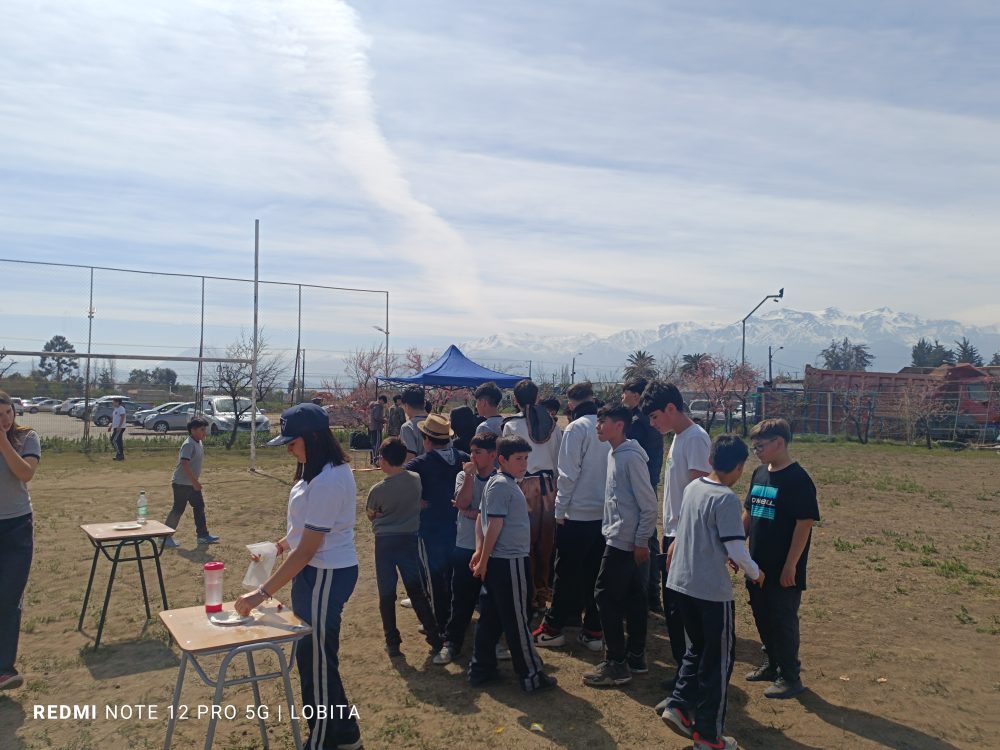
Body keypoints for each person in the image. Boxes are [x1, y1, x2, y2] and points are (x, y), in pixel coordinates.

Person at [235, 403, 363, 750]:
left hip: (324, 572)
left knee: (316, 662)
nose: (289, 448)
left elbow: (307, 550)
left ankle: (322, 741)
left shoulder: (329, 480)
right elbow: (301, 533)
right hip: (315, 571)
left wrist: (260, 594)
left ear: (312, 438)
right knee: (313, 658)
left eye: (293, 442)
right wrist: (276, 547)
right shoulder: (316, 472)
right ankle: (347, 736)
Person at [658, 434, 764, 750]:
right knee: (718, 663)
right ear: (741, 467)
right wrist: (756, 573)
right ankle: (708, 736)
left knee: (698, 649)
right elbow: (735, 546)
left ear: (710, 460)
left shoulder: (694, 488)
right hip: (710, 592)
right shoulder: (726, 498)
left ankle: (677, 705)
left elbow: (702, 535)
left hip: (681, 584)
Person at [468, 436, 557, 693]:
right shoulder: (502, 486)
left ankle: (481, 669)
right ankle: (531, 674)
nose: (524, 464)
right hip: (509, 561)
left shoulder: (500, 483)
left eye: (526, 458)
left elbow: (481, 520)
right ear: (502, 459)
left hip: (501, 561)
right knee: (518, 619)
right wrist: (482, 558)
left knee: (492, 618)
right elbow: (493, 524)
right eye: (518, 459)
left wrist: (479, 552)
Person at [743, 418, 819, 700]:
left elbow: (805, 523)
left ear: (779, 443)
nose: (757, 451)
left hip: (782, 568)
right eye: (754, 448)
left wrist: (791, 565)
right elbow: (749, 513)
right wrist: (736, 547)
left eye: (760, 446)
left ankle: (790, 676)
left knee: (783, 619)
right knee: (761, 615)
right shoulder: (760, 474)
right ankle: (772, 664)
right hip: (756, 565)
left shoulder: (798, 479)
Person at [640, 380, 711, 685]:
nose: (653, 424)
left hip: (686, 536)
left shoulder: (694, 439)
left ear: (671, 408)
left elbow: (699, 492)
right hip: (674, 533)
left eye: (655, 417)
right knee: (674, 609)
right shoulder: (680, 438)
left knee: (683, 610)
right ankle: (685, 672)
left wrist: (681, 537)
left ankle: (690, 676)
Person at [583, 405, 657, 688]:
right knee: (632, 597)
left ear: (620, 425)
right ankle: (636, 656)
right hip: (622, 538)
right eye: (598, 421)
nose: (598, 426)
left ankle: (617, 663)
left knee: (604, 595)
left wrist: (640, 542)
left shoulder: (629, 458)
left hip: (624, 541)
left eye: (603, 422)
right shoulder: (617, 453)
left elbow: (648, 505)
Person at [533, 381, 609, 652]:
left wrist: (560, 510)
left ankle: (553, 628)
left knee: (564, 572)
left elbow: (567, 474)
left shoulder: (577, 428)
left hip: (576, 513)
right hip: (603, 513)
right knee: (594, 574)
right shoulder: (607, 426)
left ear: (571, 403)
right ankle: (594, 629)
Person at [366, 437, 443, 658]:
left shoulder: (378, 489)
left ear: (383, 459)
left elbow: (372, 514)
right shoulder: (415, 479)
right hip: (409, 539)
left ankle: (392, 641)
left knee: (387, 592)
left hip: (385, 543)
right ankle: (434, 637)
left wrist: (381, 514)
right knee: (416, 590)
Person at [433, 431, 497, 665]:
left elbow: (496, 515)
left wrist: (474, 513)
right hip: (465, 545)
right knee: (461, 598)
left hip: (492, 548)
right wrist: (469, 478)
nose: (472, 456)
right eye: (471, 451)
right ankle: (452, 643)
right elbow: (460, 504)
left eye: (478, 453)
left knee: (492, 601)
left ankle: (495, 643)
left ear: (492, 455)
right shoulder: (463, 475)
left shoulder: (499, 479)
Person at [404, 414, 469, 639]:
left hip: (430, 527)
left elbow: (401, 484)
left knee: (433, 577)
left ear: (426, 438)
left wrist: (417, 501)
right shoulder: (463, 457)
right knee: (456, 575)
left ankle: (440, 623)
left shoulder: (420, 464)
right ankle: (458, 618)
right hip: (459, 526)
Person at [502, 379, 561, 611]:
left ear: (515, 400)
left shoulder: (511, 426)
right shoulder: (553, 424)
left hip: (522, 486)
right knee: (545, 543)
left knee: (523, 542)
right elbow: (558, 460)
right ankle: (542, 592)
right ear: (537, 398)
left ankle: (526, 593)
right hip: (548, 486)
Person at [0, 391, 40, 692]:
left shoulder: (27, 438)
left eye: (8, 413)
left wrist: (2, 441)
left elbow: (25, 474)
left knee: (9, 597)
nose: (4, 419)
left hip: (16, 526)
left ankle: (4, 668)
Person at [622, 377, 665, 612]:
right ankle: (652, 595)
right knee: (649, 539)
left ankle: (646, 595)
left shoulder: (637, 422)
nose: (622, 397)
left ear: (636, 395)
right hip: (650, 484)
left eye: (625, 392)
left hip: (639, 488)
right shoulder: (650, 420)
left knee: (642, 540)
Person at [163, 417, 219, 548]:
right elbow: (184, 464)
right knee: (178, 509)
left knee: (199, 507)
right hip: (182, 484)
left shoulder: (198, 442)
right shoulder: (188, 444)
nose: (204, 432)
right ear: (192, 430)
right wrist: (194, 482)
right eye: (201, 429)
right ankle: (165, 537)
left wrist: (194, 482)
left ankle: (203, 536)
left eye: (205, 429)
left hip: (191, 484)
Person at [398, 386, 428, 459]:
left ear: (406, 406)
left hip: (419, 470)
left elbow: (409, 459)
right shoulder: (439, 423)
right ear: (424, 404)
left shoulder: (408, 427)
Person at [368, 395, 387, 465]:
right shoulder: (378, 406)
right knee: (377, 444)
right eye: (384, 402)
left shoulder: (372, 406)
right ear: (381, 400)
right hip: (376, 427)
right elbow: (377, 417)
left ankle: (372, 460)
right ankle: (375, 460)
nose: (383, 404)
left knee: (373, 444)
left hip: (371, 427)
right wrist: (384, 420)